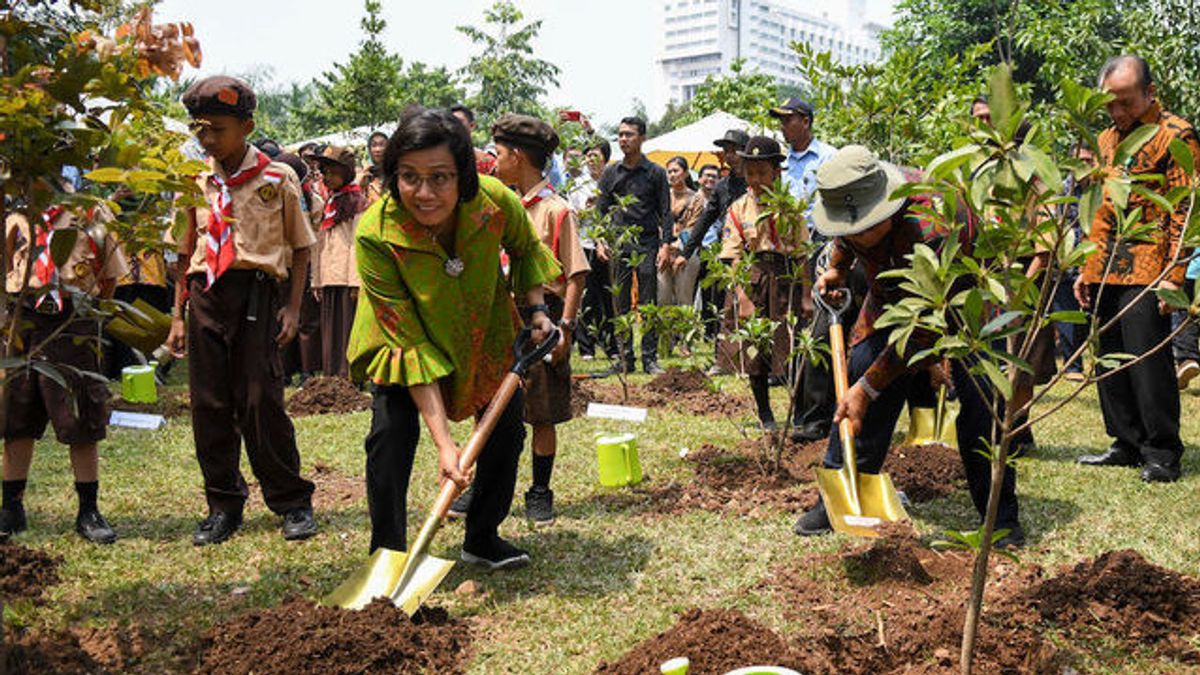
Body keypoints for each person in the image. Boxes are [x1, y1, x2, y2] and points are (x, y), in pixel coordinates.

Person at [347, 107, 561, 568]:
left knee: (504, 434)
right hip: (402, 340)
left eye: (440, 177)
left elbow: (525, 249)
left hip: (484, 332)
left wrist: (539, 309)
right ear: (392, 175)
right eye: (409, 177)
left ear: (463, 174)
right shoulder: (375, 234)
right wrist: (447, 446)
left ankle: (481, 537)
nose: (425, 193)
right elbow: (408, 347)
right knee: (390, 435)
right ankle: (387, 554)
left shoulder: (493, 201)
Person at [793, 145, 1024, 548]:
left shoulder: (934, 224)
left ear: (886, 207)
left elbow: (922, 336)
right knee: (864, 362)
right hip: (892, 294)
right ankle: (841, 491)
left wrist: (867, 388)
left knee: (980, 404)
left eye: (864, 226)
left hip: (964, 302)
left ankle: (1000, 519)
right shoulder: (854, 211)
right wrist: (838, 267)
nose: (855, 234)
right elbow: (848, 236)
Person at [168, 76, 318, 545]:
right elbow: (184, 249)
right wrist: (178, 315)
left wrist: (292, 309)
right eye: (200, 130)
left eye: (217, 129)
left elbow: (300, 249)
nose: (207, 139)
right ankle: (222, 504)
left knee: (260, 400)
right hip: (206, 294)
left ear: (246, 126)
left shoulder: (278, 178)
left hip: (257, 293)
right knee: (209, 404)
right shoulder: (195, 182)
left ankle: (292, 500)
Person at [1074, 55, 1199, 483]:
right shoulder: (1108, 139)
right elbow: (1102, 208)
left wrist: (1175, 275)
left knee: (1148, 361)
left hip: (1150, 264)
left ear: (1150, 92)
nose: (1118, 112)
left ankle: (1161, 450)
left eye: (1125, 102)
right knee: (1108, 358)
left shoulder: (1176, 134)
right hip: (1105, 263)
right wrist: (1085, 268)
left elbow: (1186, 209)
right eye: (1110, 104)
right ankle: (1125, 442)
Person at [1, 202, 128, 544]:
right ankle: (11, 505)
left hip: (75, 317)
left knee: (81, 413)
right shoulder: (14, 208)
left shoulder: (91, 211)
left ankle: (88, 509)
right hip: (24, 317)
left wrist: (89, 317)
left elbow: (112, 274)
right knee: (17, 411)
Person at [491, 113, 589, 526]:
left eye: (498, 153)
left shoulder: (557, 210)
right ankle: (486, 486)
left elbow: (576, 273)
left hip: (543, 317)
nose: (493, 162)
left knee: (541, 410)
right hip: (506, 313)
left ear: (516, 155)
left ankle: (540, 489)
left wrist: (564, 329)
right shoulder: (500, 206)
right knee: (495, 406)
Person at [716, 137, 811, 429]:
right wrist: (742, 298)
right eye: (750, 173)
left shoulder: (790, 209)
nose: (755, 179)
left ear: (777, 173)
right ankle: (765, 414)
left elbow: (803, 253)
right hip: (753, 281)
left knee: (791, 347)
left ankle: (800, 414)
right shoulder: (738, 208)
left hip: (785, 281)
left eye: (762, 173)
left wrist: (806, 295)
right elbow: (733, 257)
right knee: (754, 349)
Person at [595, 116, 671, 375]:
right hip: (618, 244)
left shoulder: (656, 172)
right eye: (621, 134)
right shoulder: (610, 172)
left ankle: (649, 358)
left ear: (642, 138)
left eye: (629, 134)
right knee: (620, 302)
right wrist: (600, 239)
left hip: (648, 243)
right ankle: (625, 358)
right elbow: (600, 210)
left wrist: (665, 246)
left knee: (648, 301)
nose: (623, 139)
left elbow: (666, 212)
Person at [678, 129, 750, 370]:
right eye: (726, 150)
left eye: (734, 150)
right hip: (727, 256)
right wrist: (685, 254)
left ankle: (756, 361)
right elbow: (704, 221)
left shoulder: (756, 181)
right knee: (723, 308)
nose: (729, 155)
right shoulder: (722, 187)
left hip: (755, 256)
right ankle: (724, 359)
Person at [313, 145, 365, 378]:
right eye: (324, 172)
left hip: (346, 275)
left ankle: (348, 373)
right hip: (329, 274)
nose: (327, 178)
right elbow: (319, 243)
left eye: (332, 172)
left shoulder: (356, 202)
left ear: (347, 173)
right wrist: (316, 278)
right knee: (330, 326)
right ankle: (331, 371)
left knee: (346, 325)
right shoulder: (329, 203)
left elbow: (357, 243)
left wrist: (356, 280)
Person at [275, 152, 324, 384]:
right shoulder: (269, 199)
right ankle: (283, 369)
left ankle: (308, 370)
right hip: (278, 266)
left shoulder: (314, 202)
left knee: (307, 320)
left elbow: (315, 237)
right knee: (280, 318)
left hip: (304, 264)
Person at [573, 140, 618, 361]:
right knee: (586, 297)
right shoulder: (577, 185)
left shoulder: (613, 182)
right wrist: (586, 209)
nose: (591, 160)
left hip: (610, 245)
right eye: (588, 155)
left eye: (596, 156)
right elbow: (572, 217)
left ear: (606, 159)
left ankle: (612, 346)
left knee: (609, 297)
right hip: (585, 244)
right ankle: (586, 347)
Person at [657, 156, 701, 321]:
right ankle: (665, 341)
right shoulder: (662, 196)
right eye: (669, 172)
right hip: (663, 252)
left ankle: (684, 342)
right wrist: (664, 247)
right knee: (663, 298)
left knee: (684, 299)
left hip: (686, 253)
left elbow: (693, 228)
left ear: (686, 173)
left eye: (676, 171)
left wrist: (678, 248)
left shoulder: (696, 198)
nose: (672, 175)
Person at [450, 103, 497, 176]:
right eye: (451, 122)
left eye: (459, 121)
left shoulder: (487, 162)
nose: (455, 126)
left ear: (472, 126)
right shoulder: (441, 161)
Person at [359, 131, 388, 204]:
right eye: (374, 145)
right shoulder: (365, 175)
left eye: (382, 145)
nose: (378, 149)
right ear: (369, 149)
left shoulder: (395, 173)